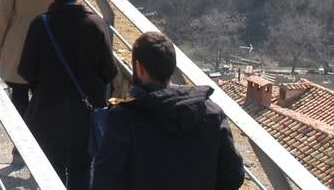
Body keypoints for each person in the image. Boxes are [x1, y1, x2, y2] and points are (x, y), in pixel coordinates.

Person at [91, 31, 244, 190]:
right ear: (171, 66)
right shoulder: (212, 113)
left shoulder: (123, 118)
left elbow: (105, 181)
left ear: (139, 68)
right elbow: (233, 175)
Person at [17, 0, 117, 190]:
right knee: (82, 171)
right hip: (86, 117)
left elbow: (26, 72)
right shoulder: (96, 24)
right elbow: (109, 72)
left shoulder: (40, 25)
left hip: (48, 114)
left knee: (52, 173)